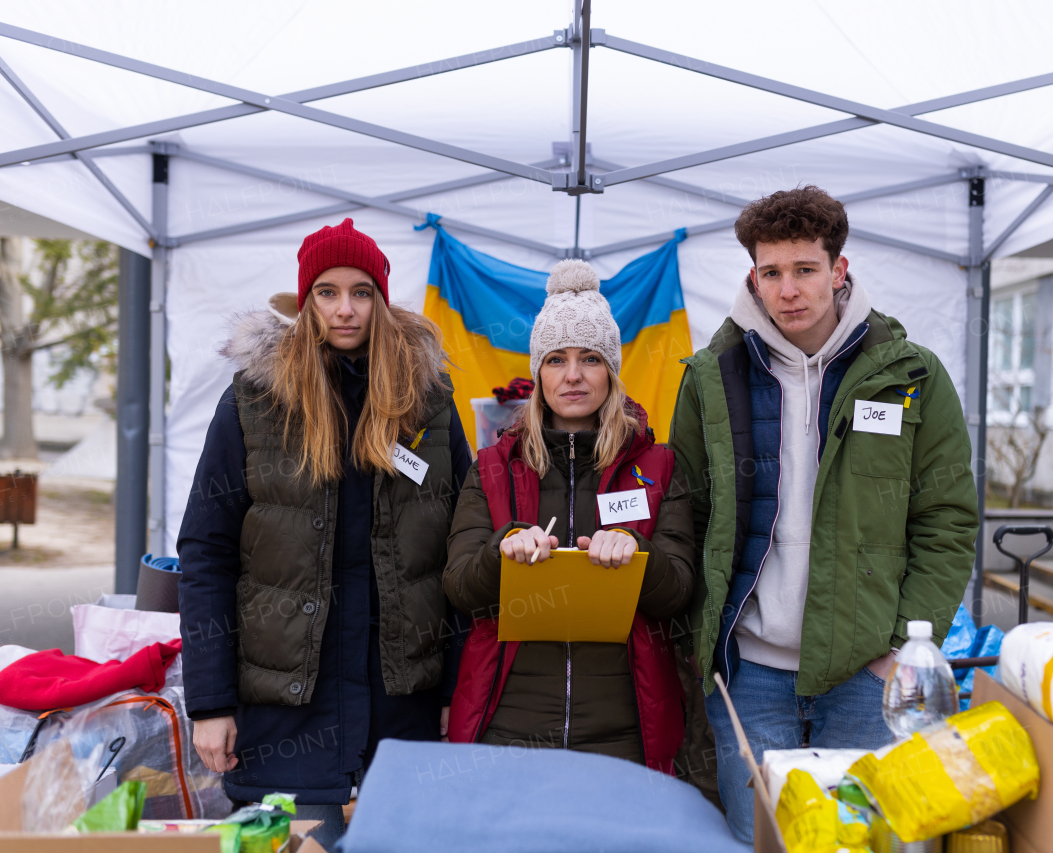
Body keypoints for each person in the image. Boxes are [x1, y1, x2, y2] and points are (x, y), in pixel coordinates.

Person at [668, 186, 980, 840]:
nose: (788, 289)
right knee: (759, 839)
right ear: (752, 275)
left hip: (868, 675)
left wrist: (898, 644)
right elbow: (686, 513)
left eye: (805, 269)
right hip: (748, 673)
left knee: (870, 839)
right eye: (772, 272)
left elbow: (946, 522)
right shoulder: (709, 378)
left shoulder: (911, 377)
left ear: (839, 270)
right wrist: (705, 644)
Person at [177, 218, 472, 848]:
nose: (345, 309)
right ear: (306, 301)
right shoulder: (254, 401)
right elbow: (206, 552)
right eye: (327, 292)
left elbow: (462, 548)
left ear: (382, 302)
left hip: (401, 708)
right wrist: (209, 703)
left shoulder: (429, 402)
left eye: (361, 292)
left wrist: (456, 690)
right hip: (284, 714)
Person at [444, 260, 695, 773]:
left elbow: (681, 591)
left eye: (591, 358)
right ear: (538, 372)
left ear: (613, 371)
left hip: (624, 728)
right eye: (556, 359)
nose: (574, 375)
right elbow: (458, 587)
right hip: (510, 722)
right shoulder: (493, 468)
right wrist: (502, 550)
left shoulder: (658, 465)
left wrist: (637, 552)